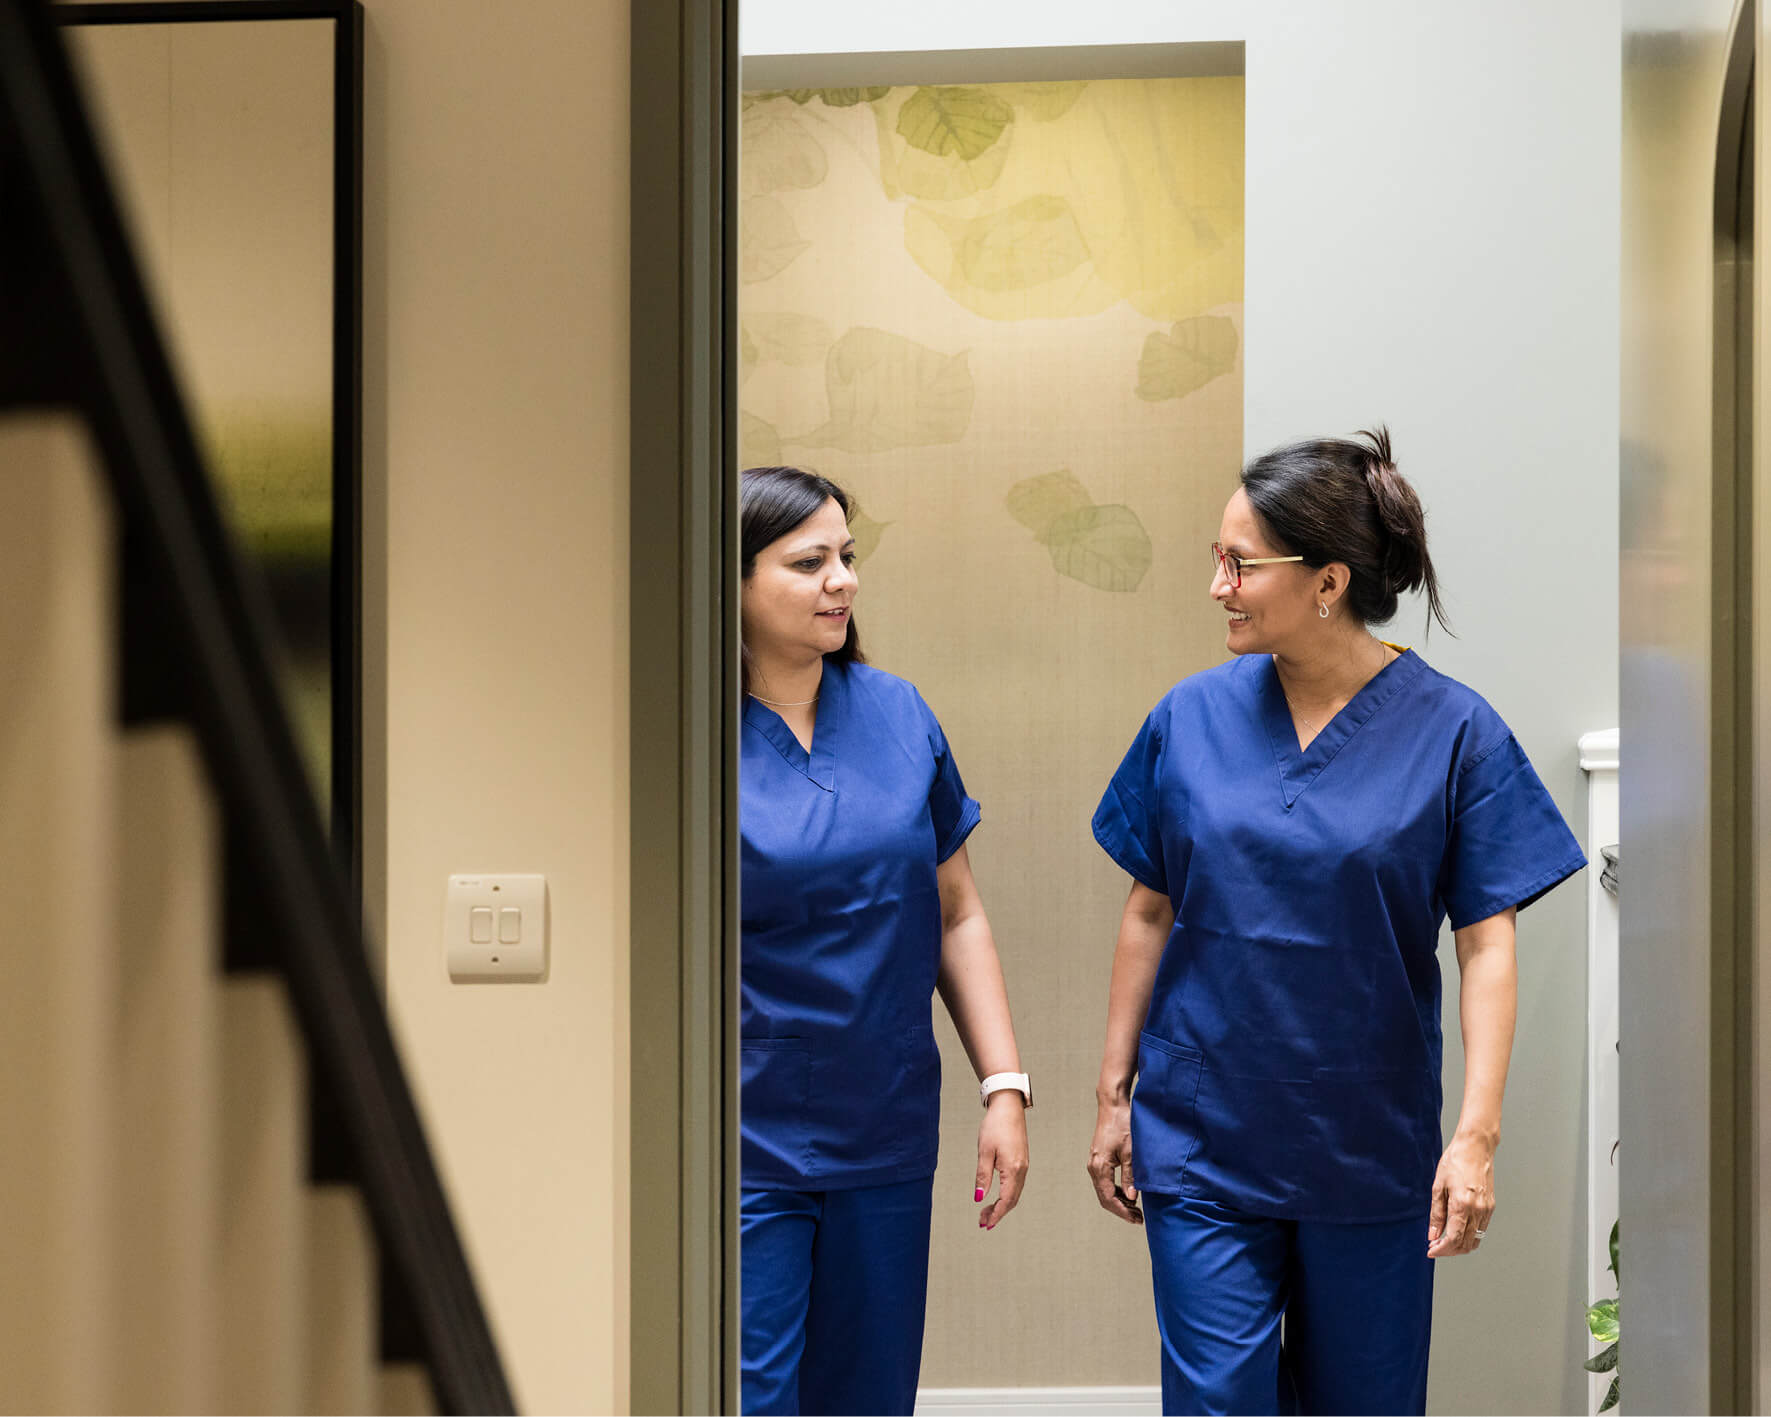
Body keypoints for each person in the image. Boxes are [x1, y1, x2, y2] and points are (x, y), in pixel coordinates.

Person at [1086, 428, 1586, 1416]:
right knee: (1216, 1400)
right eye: (1215, 560)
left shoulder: (1455, 732)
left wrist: (1473, 1138)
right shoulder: (1187, 719)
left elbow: (1486, 942)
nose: (1218, 585)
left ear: (1327, 580)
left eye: (1240, 564)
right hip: (1201, 1132)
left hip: (1367, 1139)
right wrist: (1111, 1097)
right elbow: (1149, 906)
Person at [739, 465, 1031, 1416]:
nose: (843, 581)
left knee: (867, 1392)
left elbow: (957, 912)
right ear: (729, 581)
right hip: (741, 1126)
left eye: (848, 557)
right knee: (751, 1388)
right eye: (809, 560)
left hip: (886, 1117)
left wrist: (1004, 1086)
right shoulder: (686, 734)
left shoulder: (899, 715)